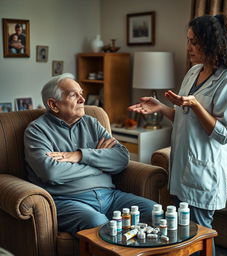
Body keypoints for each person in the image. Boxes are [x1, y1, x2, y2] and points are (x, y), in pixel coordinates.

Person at [129, 14, 227, 255]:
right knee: (183, 231)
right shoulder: (193, 72)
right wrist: (161, 108)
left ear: (212, 43)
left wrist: (196, 106)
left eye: (194, 42)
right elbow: (184, 118)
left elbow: (224, 134)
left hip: (204, 172)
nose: (188, 47)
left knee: (201, 232)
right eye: (188, 40)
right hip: (182, 167)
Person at [24, 73, 156, 237]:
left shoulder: (91, 123)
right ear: (53, 104)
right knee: (98, 224)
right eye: (74, 95)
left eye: (81, 93)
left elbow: (122, 158)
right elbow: (52, 172)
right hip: (69, 200)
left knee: (153, 211)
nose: (82, 99)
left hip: (110, 196)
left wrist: (80, 155)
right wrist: (100, 167)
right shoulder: (37, 131)